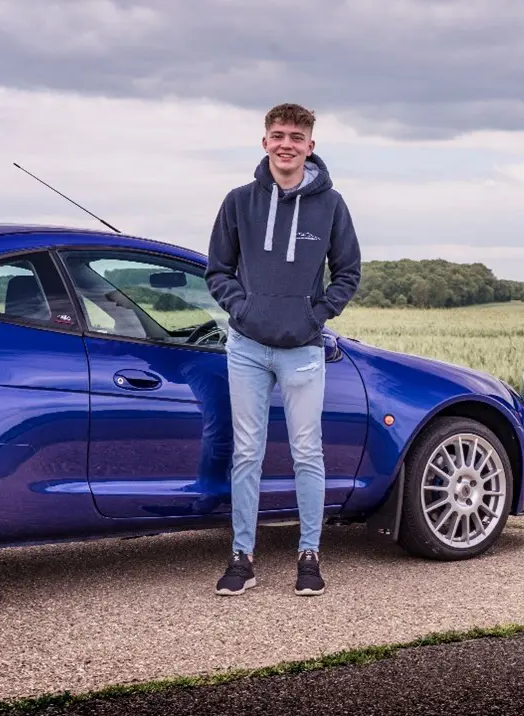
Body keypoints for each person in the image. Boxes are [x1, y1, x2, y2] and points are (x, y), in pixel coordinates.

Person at [205, 102, 362, 595]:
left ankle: (309, 555)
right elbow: (217, 271)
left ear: (310, 146)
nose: (286, 143)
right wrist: (244, 310)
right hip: (247, 347)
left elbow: (349, 273)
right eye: (278, 135)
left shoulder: (331, 205)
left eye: (296, 136)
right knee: (247, 453)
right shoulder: (238, 201)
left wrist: (315, 314)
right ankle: (241, 557)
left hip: (303, 350)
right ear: (265, 142)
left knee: (306, 453)